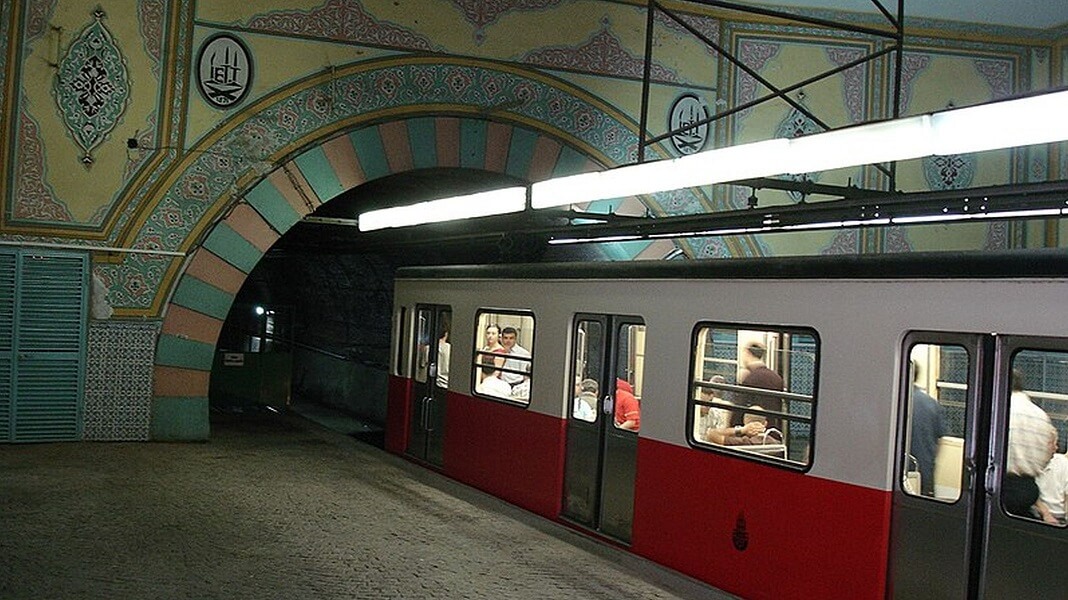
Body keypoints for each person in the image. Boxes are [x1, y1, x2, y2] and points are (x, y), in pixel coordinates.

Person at [1004, 369, 1056, 518]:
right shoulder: (1041, 415)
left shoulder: (998, 409)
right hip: (1028, 488)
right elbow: (1048, 455)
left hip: (1000, 486)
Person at [908, 360, 945, 496]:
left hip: (900, 472)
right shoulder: (932, 404)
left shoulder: (894, 402)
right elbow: (940, 439)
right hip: (925, 469)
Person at [733, 342, 785, 431]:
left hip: (752, 431)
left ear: (748, 353)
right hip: (771, 430)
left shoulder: (750, 378)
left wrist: (735, 430)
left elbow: (739, 410)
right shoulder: (777, 377)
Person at [1036, 428, 1068, 524]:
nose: (1056, 448)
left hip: (1060, 518)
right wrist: (1046, 514)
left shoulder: (1063, 464)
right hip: (1037, 515)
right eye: (1052, 443)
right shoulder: (1029, 467)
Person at [435, 323, 450, 389]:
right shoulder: (450, 348)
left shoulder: (429, 348)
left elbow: (422, 364)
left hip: (435, 383)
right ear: (446, 334)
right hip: (447, 384)